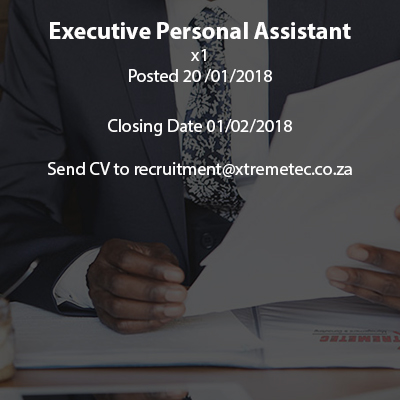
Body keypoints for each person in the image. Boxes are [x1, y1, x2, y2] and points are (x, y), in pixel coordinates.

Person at [1, 0, 400, 334]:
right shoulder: (52, 10)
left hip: (348, 327)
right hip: (143, 353)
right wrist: (88, 275)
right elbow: (13, 204)